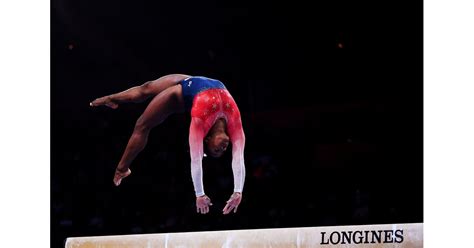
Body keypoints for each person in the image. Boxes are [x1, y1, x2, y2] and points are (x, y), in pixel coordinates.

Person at [90, 74, 245, 215]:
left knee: (142, 125)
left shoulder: (200, 123)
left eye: (216, 150)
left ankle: (121, 169)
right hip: (193, 81)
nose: (224, 148)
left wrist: (200, 194)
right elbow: (238, 158)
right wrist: (238, 191)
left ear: (207, 139)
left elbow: (196, 160)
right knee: (146, 88)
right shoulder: (235, 124)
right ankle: (112, 98)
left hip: (180, 95)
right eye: (222, 150)